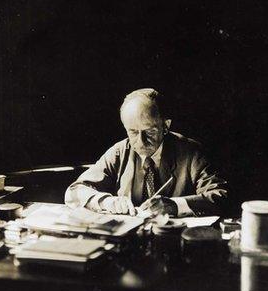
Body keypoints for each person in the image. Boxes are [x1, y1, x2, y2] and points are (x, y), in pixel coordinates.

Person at [65, 88, 228, 217]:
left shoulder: (190, 153)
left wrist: (174, 206)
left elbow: (220, 196)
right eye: (133, 132)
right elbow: (74, 191)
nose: (140, 141)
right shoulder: (120, 152)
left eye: (149, 131)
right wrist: (106, 202)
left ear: (166, 126)